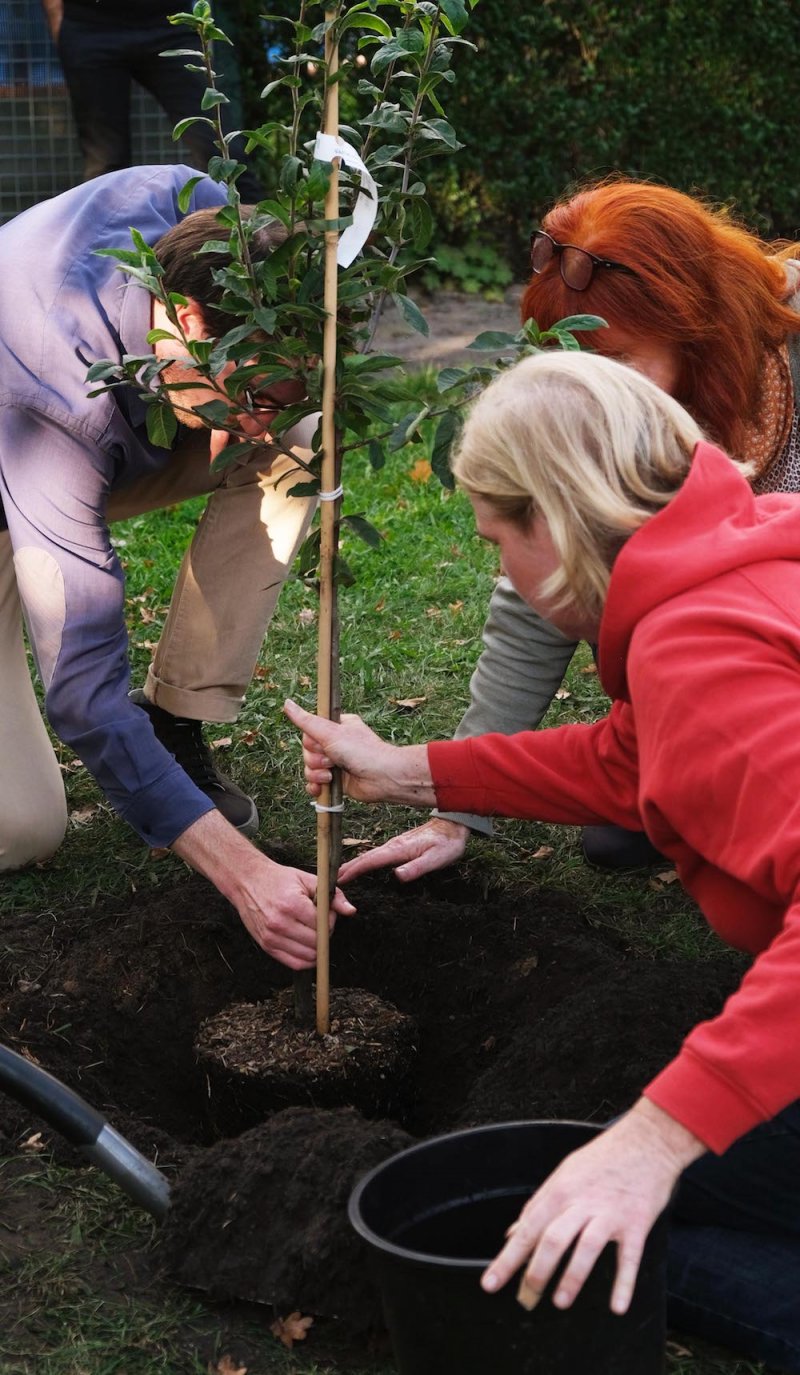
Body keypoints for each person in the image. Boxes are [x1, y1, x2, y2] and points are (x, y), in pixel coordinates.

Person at [285, 350, 800, 1371]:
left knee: (627, 1236)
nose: (499, 571)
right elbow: (635, 758)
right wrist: (409, 772)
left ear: (555, 524)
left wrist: (651, 1141)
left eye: (495, 539)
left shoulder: (697, 652)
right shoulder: (744, 556)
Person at [342, 178, 800, 883]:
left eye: (612, 359)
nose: (588, 383)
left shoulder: (783, 357)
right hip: (711, 684)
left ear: (691, 322)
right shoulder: (606, 407)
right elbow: (540, 590)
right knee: (628, 830)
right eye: (566, 356)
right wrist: (452, 806)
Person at [0, 162, 354, 966]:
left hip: (104, 421)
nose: (257, 428)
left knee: (304, 447)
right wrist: (246, 877)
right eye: (255, 398)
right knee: (23, 828)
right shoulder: (56, 398)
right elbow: (84, 695)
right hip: (20, 449)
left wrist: (261, 411)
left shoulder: (215, 228)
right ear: (189, 320)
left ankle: (175, 716)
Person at [39, 0, 262, 200]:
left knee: (222, 152)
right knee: (106, 166)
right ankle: (111, 244)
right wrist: (58, 19)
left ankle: (260, 242)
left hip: (169, 24)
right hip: (88, 27)